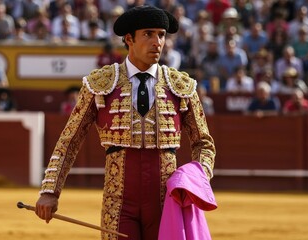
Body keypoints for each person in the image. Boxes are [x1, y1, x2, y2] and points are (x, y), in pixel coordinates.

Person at [35, 5, 216, 240]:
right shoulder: (101, 84)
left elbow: (204, 144)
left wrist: (195, 179)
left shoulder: (180, 86)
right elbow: (69, 141)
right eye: (148, 34)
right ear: (129, 39)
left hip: (166, 200)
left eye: (161, 35)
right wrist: (50, 191)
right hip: (118, 199)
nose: (157, 42)